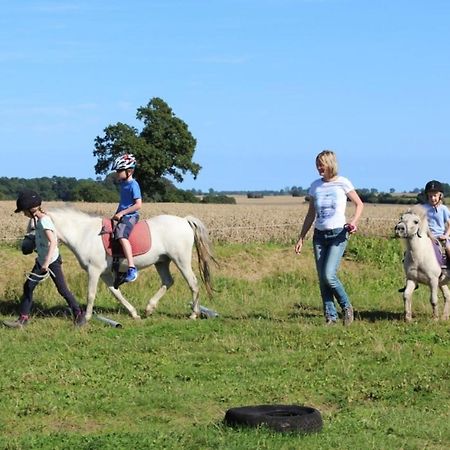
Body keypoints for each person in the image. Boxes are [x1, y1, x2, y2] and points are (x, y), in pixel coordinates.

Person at [294, 150, 364, 326]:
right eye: (317, 165)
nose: (318, 168)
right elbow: (311, 214)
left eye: (321, 164)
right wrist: (301, 237)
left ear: (330, 164)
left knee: (328, 275)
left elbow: (359, 204)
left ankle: (346, 306)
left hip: (338, 234)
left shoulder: (343, 183)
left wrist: (353, 222)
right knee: (322, 278)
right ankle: (330, 317)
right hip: (319, 236)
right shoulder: (315, 186)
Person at [3, 189, 86, 328]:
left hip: (51, 261)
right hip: (42, 260)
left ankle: (79, 314)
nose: (23, 214)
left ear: (31, 209)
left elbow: (53, 241)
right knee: (28, 287)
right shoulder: (37, 220)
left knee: (62, 289)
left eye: (24, 211)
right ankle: (22, 320)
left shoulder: (44, 221)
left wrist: (46, 263)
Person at [111, 153, 142, 283]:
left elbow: (138, 205)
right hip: (122, 214)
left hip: (131, 216)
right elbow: (123, 202)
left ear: (129, 171)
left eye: (119, 171)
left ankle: (131, 268)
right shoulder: (123, 184)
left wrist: (122, 213)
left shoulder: (133, 185)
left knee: (122, 236)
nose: (117, 173)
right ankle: (118, 267)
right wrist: (116, 214)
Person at [422, 180, 450, 267]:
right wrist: (430, 235)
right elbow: (422, 225)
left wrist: (446, 235)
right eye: (430, 196)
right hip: (427, 236)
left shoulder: (443, 209)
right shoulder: (423, 209)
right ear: (427, 196)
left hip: (441, 237)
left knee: (449, 248)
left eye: (435, 195)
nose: (433, 198)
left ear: (440, 196)